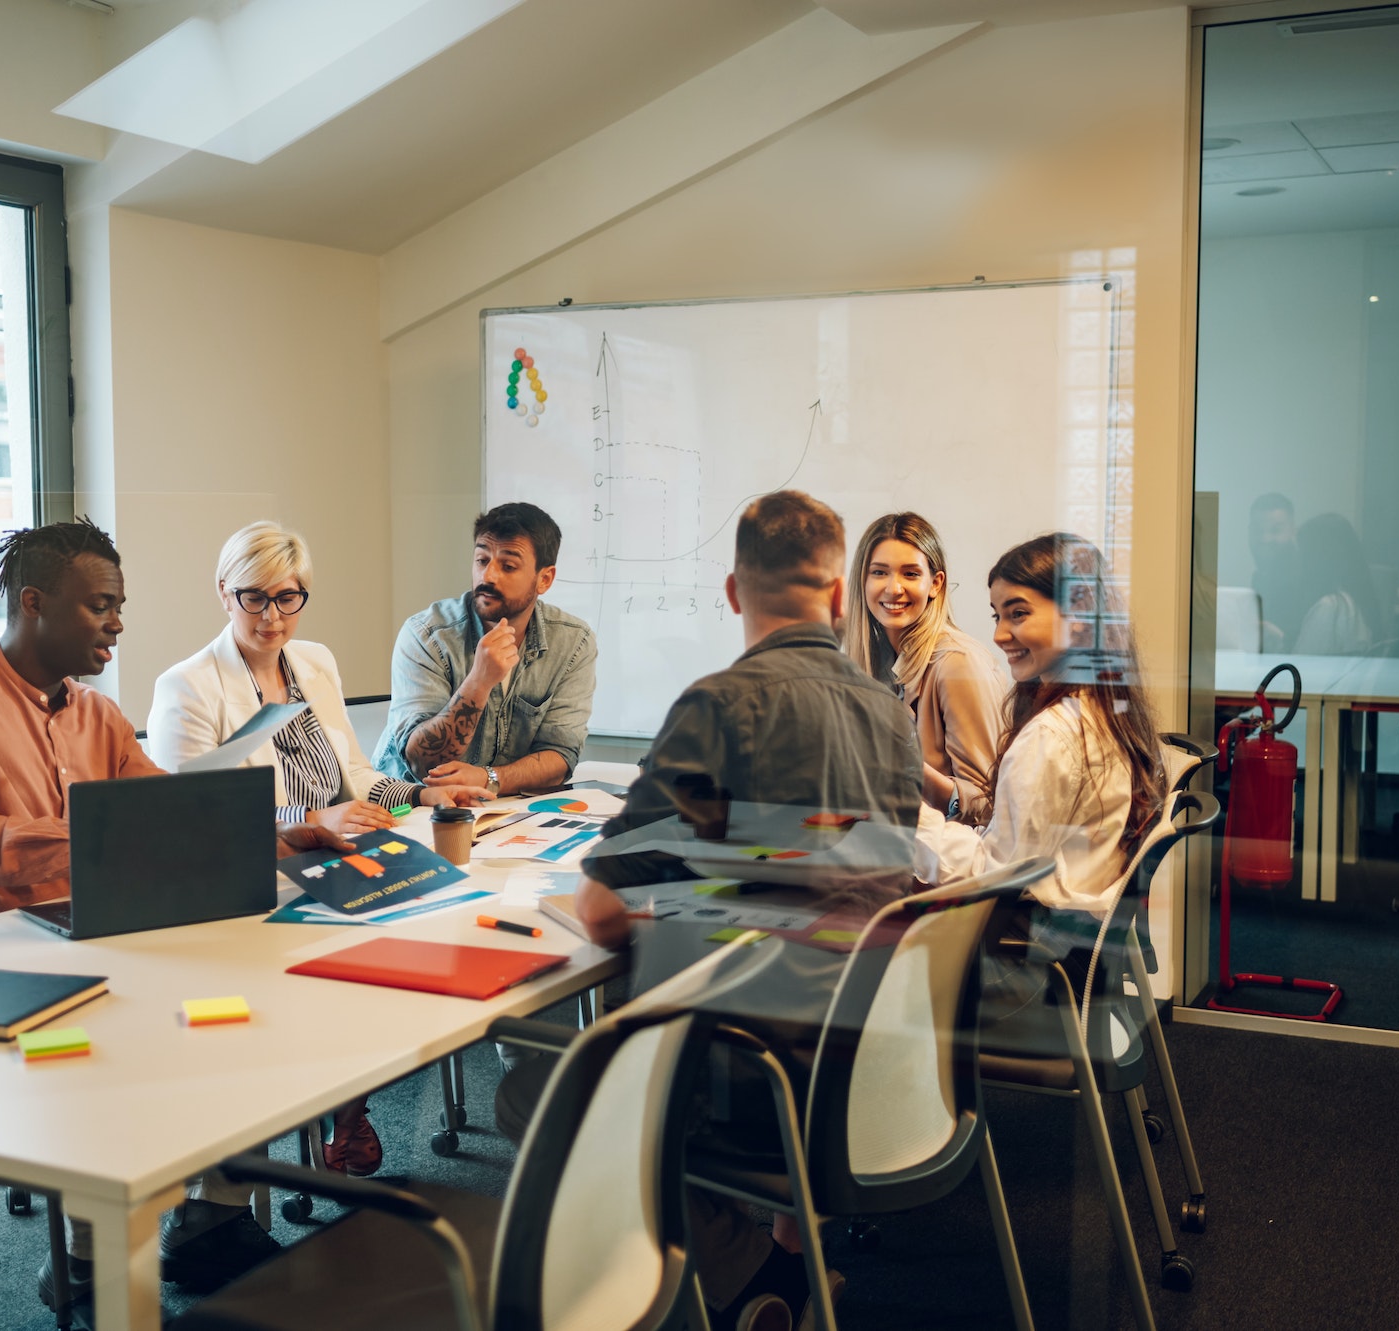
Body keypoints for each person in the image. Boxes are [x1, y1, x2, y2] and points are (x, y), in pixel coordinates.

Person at [0, 518, 351, 1311]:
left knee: (244, 995)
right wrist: (110, 838)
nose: (119, 623)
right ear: (33, 602)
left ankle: (213, 1213)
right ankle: (90, 1248)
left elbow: (164, 810)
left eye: (120, 605)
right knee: (134, 1027)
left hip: (84, 922)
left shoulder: (94, 715)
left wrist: (267, 835)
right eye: (101, 606)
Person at [574, 490, 923, 1331]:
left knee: (542, 1083)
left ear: (733, 591)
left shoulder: (720, 705)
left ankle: (751, 1271)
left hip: (758, 1066)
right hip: (870, 1052)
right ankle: (791, 1254)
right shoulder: (890, 711)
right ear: (841, 597)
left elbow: (599, 912)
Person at [146, 520, 487, 1175]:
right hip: (261, 872)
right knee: (351, 956)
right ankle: (330, 1103)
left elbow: (355, 775)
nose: (273, 617)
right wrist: (311, 817)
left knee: (436, 923)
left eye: (288, 596)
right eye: (255, 597)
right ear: (223, 592)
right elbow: (192, 813)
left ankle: (345, 1095)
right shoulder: (187, 687)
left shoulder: (315, 662)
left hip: (342, 856)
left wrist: (419, 797)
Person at [909, 532, 1166, 916]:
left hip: (1026, 941)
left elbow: (997, 874)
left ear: (1078, 617)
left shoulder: (1052, 735)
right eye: (998, 615)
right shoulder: (1101, 708)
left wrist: (905, 818)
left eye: (1018, 613)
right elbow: (1014, 847)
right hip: (1065, 927)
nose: (998, 635)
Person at [374, 502, 596, 796]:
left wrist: (487, 778)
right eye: (481, 560)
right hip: (413, 807)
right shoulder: (426, 635)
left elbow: (560, 755)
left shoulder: (572, 642)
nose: (488, 576)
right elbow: (423, 762)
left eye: (508, 566)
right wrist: (479, 682)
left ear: (545, 579)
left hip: (505, 809)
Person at [844, 512, 1008, 825]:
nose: (893, 588)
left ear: (935, 583)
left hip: (945, 866)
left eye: (909, 574)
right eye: (879, 573)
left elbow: (991, 806)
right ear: (862, 582)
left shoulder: (959, 663)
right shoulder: (871, 663)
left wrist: (909, 769)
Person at [1292, 513, 1381, 656]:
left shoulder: (1330, 608)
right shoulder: (1355, 601)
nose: (1298, 560)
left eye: (1302, 553)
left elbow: (1299, 666)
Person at [1247, 492, 1311, 650]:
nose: (1265, 539)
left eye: (1275, 530)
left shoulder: (1305, 579)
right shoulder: (1261, 577)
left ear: (1293, 531)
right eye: (1257, 530)